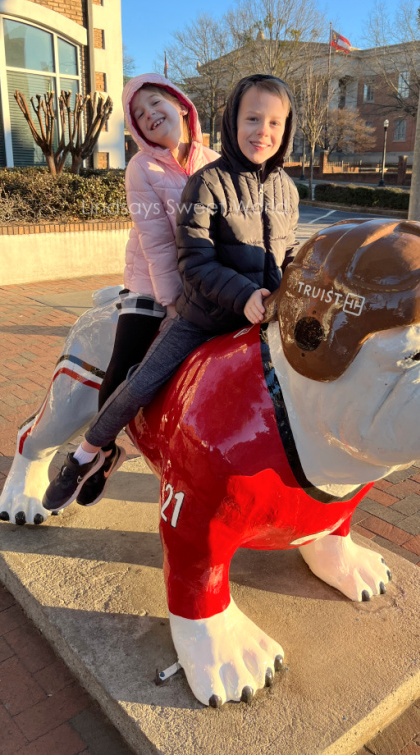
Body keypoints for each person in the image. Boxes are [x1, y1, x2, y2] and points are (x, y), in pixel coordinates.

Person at [43, 73, 300, 511]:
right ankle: (89, 452)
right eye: (253, 119)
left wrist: (291, 281)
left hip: (258, 310)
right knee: (139, 377)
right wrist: (197, 301)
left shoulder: (281, 188)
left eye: (275, 122)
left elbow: (284, 251)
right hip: (195, 304)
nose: (263, 131)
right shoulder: (194, 178)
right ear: (233, 121)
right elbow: (180, 254)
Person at [71, 73, 217, 507]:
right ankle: (103, 451)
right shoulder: (141, 167)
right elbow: (156, 242)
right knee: (122, 367)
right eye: (138, 114)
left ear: (180, 104)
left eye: (155, 103)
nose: (150, 114)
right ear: (136, 129)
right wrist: (171, 303)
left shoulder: (215, 161)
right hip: (151, 281)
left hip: (204, 281)